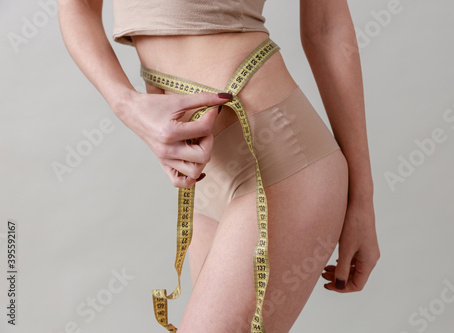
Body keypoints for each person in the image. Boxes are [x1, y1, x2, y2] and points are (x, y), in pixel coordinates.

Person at [58, 0, 380, 332]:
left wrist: (362, 200)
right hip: (206, 181)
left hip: (283, 160)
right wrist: (124, 102)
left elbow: (326, 26)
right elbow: (76, 5)